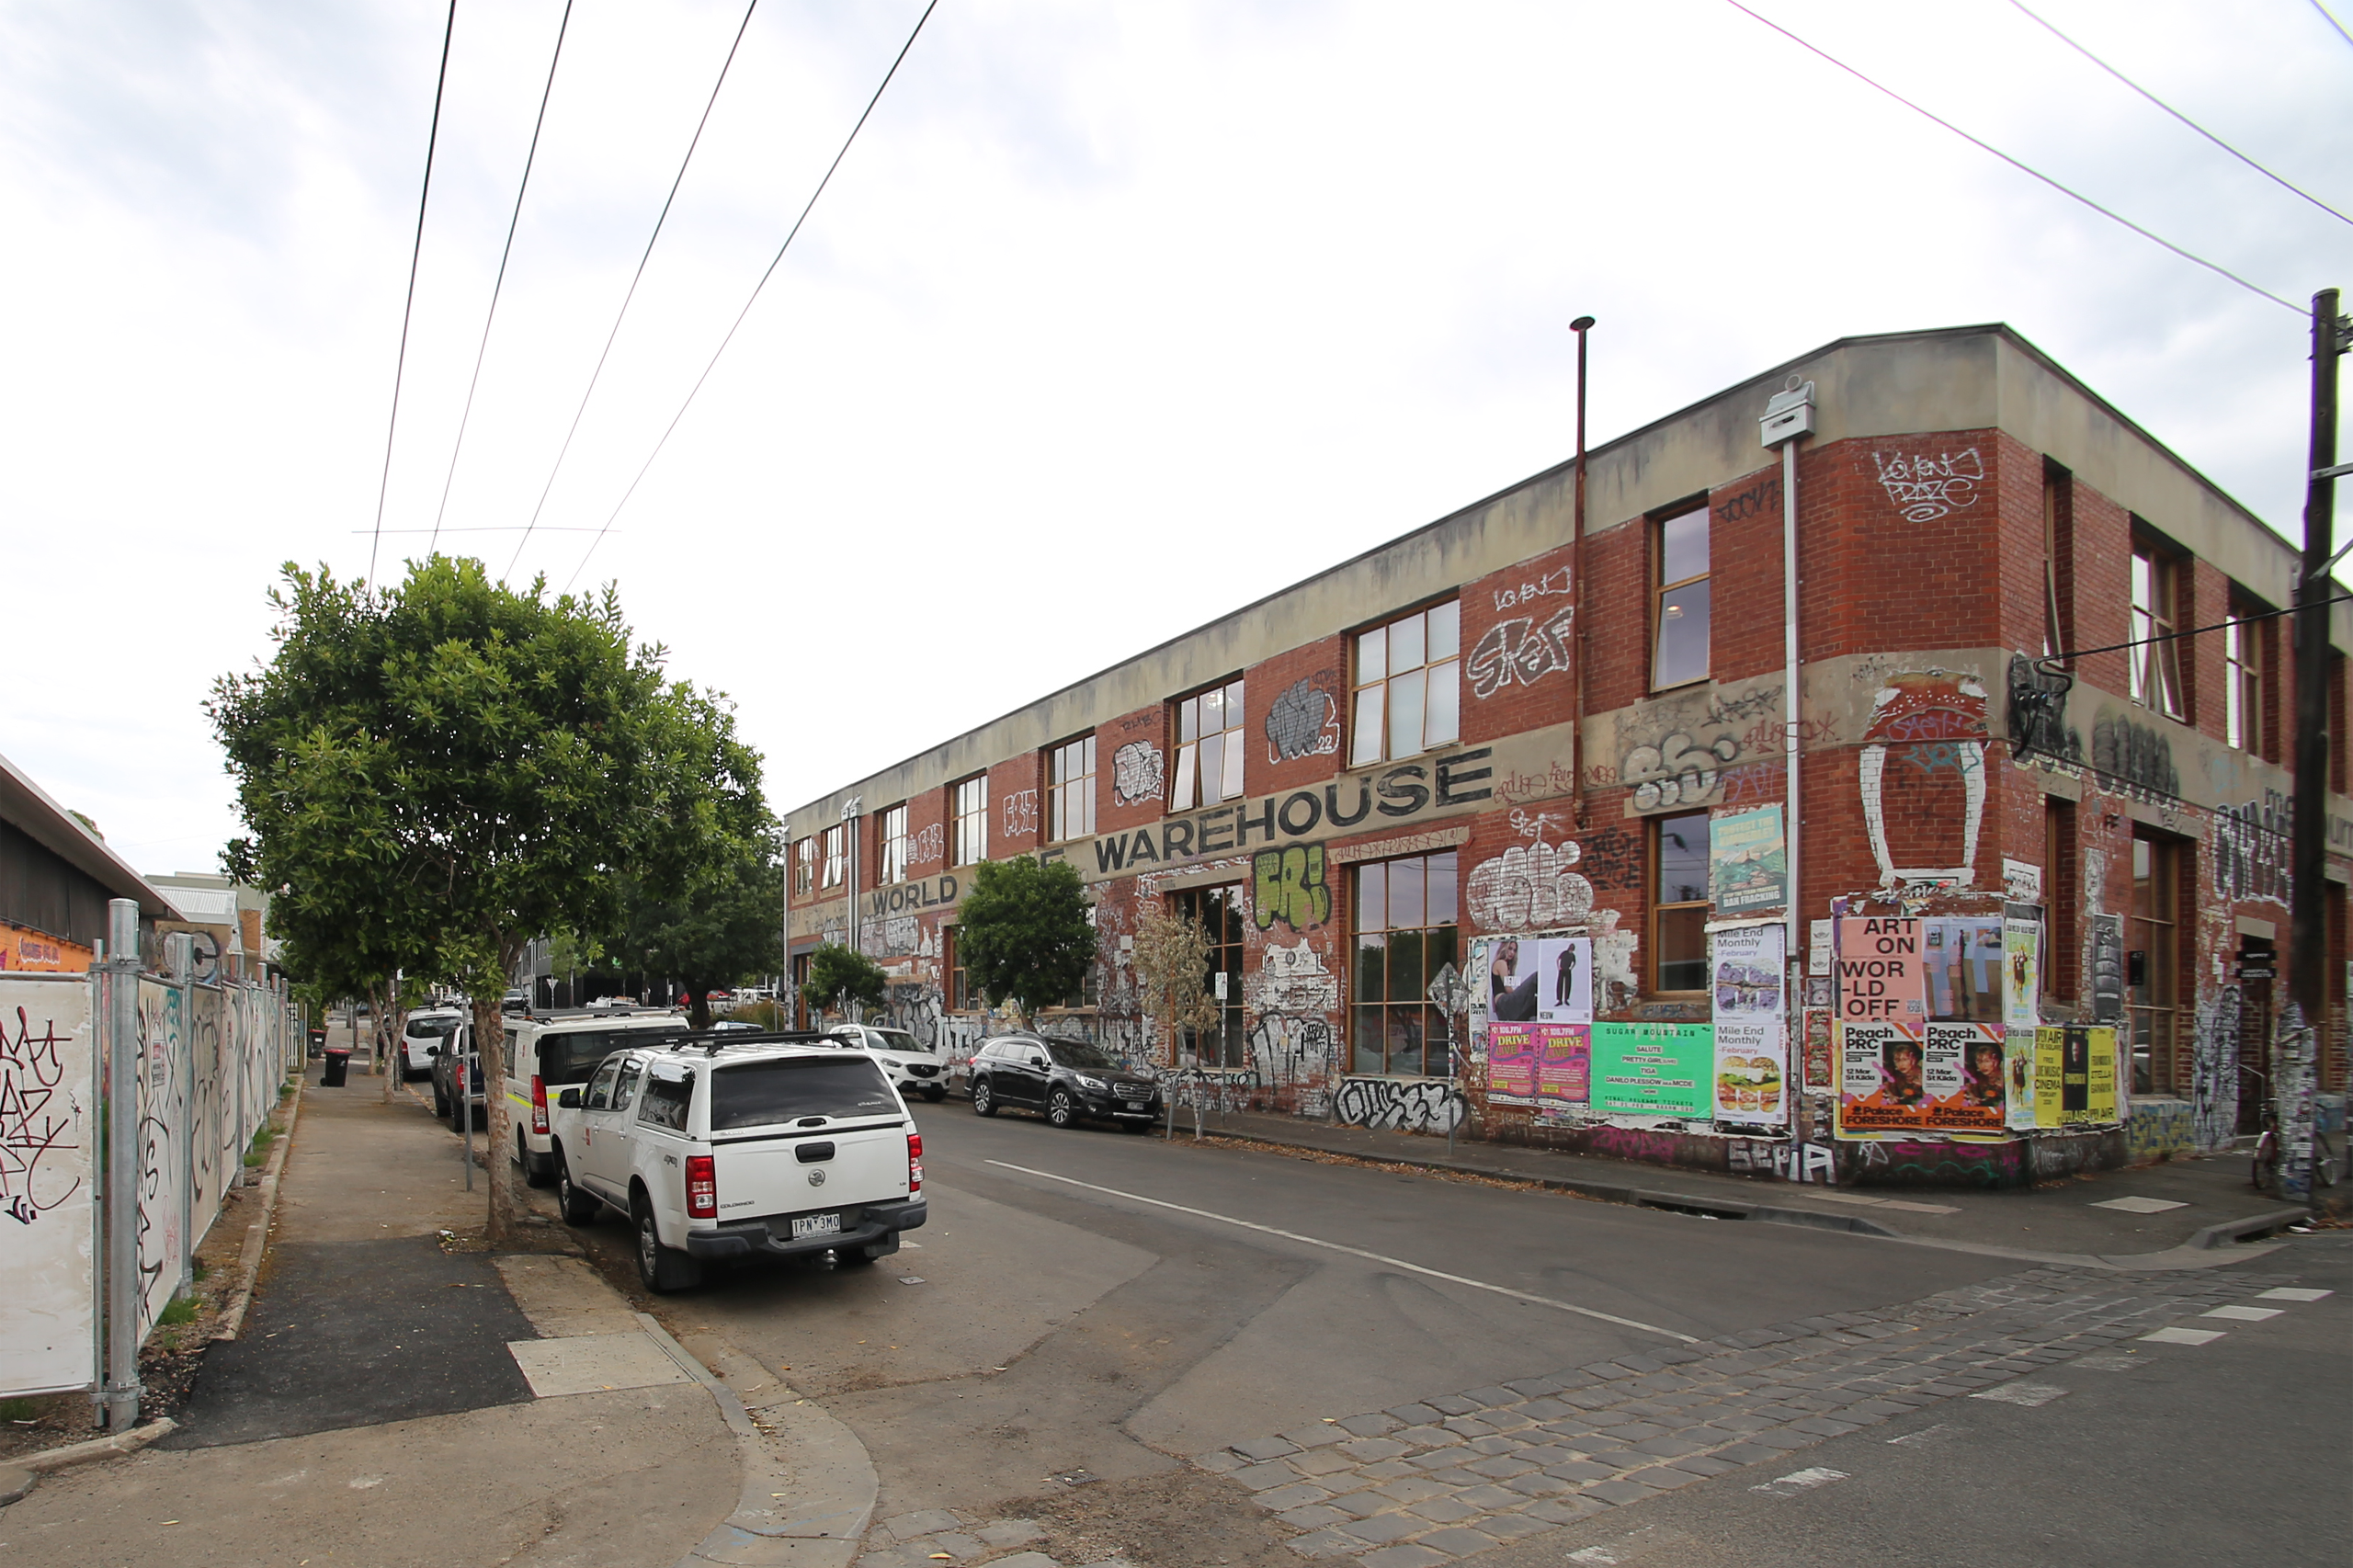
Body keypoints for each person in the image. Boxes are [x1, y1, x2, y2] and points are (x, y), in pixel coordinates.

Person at [1489, 939, 1538, 1021]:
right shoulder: (1501, 963)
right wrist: (1521, 996)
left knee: (1534, 1003)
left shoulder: (1502, 964)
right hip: (1504, 1002)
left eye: (1514, 950)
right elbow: (1508, 988)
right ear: (1504, 948)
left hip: (1502, 1007)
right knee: (1535, 976)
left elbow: (1494, 991)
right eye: (1510, 949)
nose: (1512, 953)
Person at [1882, 1037, 1927, 1107]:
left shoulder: (1924, 1071)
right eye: (1897, 1060)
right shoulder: (1896, 1075)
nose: (1901, 1064)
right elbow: (1886, 1085)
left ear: (1913, 1059)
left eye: (1905, 1059)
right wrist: (1891, 1095)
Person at [1962, 1036, 2004, 1108]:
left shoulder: (2006, 1076)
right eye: (1979, 1062)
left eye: (1987, 1061)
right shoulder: (1979, 1077)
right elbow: (1967, 1087)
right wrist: (1972, 1096)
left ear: (1996, 1062)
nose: (1982, 1066)